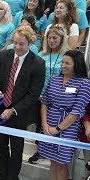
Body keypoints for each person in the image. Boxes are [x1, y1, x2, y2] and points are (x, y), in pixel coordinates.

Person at [0, 25, 45, 180]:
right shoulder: (4, 56)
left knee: (16, 148)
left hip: (19, 113)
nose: (17, 47)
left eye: (22, 44)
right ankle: (3, 174)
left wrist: (13, 110)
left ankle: (13, 177)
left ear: (30, 44)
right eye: (15, 43)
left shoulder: (38, 63)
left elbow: (33, 95)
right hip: (0, 109)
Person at [38, 50, 90, 180]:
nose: (63, 65)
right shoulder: (54, 79)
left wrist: (58, 129)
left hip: (68, 129)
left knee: (61, 163)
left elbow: (77, 111)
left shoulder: (84, 83)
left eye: (68, 63)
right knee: (52, 161)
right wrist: (45, 124)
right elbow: (45, 102)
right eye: (62, 62)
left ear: (76, 65)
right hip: (49, 124)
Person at [28, 24, 68, 164]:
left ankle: (54, 150)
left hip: (58, 97)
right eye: (49, 38)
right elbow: (33, 75)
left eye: (55, 38)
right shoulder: (42, 55)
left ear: (61, 39)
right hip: (40, 95)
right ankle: (40, 150)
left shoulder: (66, 56)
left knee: (55, 124)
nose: (52, 41)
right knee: (40, 123)